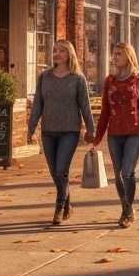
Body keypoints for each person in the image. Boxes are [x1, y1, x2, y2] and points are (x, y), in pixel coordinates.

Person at [26, 40, 94, 226]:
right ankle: (68, 204)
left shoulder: (77, 79)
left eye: (61, 51)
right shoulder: (45, 77)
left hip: (69, 131)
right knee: (54, 172)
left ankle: (58, 208)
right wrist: (31, 129)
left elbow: (85, 107)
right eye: (55, 50)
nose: (56, 54)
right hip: (48, 131)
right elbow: (38, 104)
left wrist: (91, 130)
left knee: (61, 170)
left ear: (69, 54)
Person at [88, 42, 139, 228]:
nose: (115, 57)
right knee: (118, 174)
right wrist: (97, 137)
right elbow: (105, 111)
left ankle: (127, 211)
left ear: (128, 55)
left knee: (127, 172)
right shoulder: (110, 81)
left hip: (136, 131)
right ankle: (127, 209)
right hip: (115, 132)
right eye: (114, 53)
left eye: (119, 54)